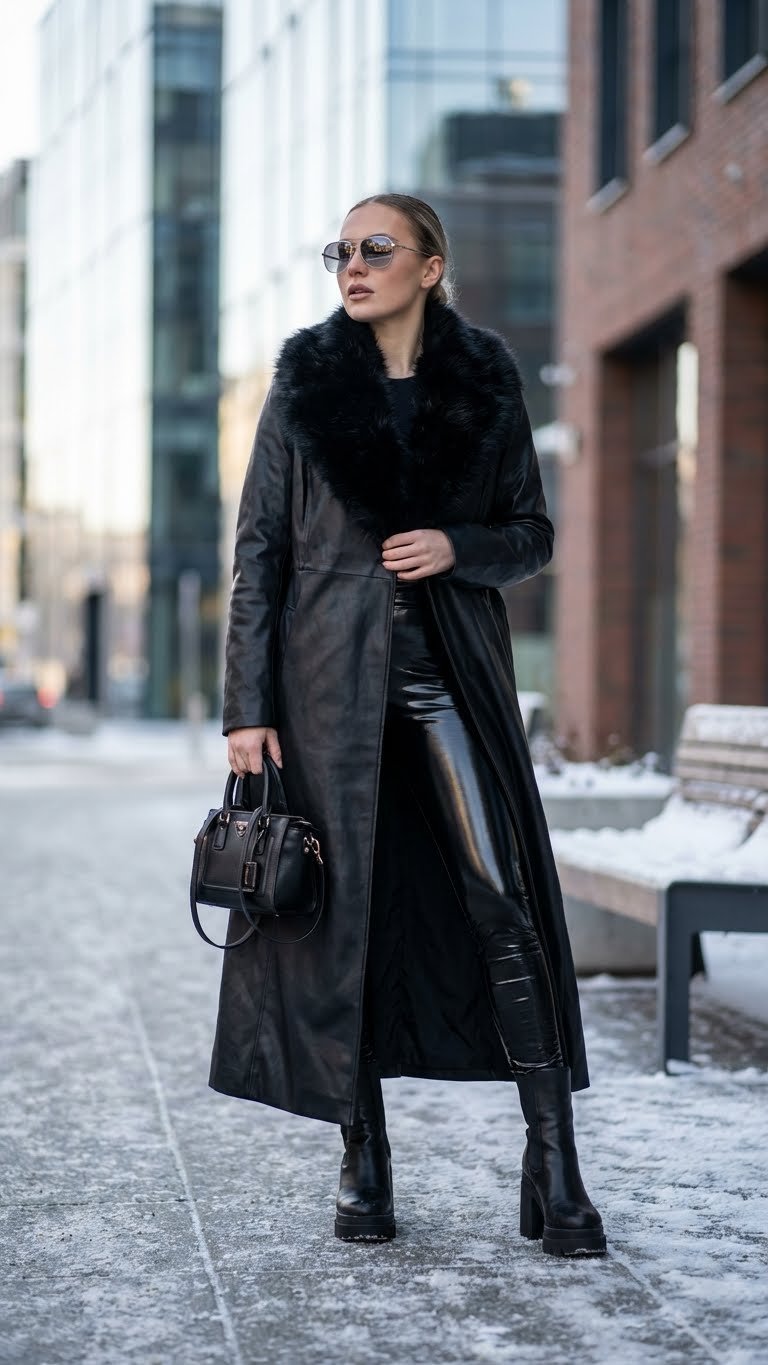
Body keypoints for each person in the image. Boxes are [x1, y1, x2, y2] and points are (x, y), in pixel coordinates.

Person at [209, 192, 606, 1256]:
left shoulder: (484, 381)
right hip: (324, 695)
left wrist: (456, 549)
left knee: (501, 900)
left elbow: (531, 531)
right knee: (346, 919)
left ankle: (554, 1162)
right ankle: (361, 1158)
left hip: (446, 681)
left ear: (432, 267)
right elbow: (258, 557)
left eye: (376, 249)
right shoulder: (302, 389)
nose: (352, 264)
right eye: (341, 250)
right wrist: (246, 710)